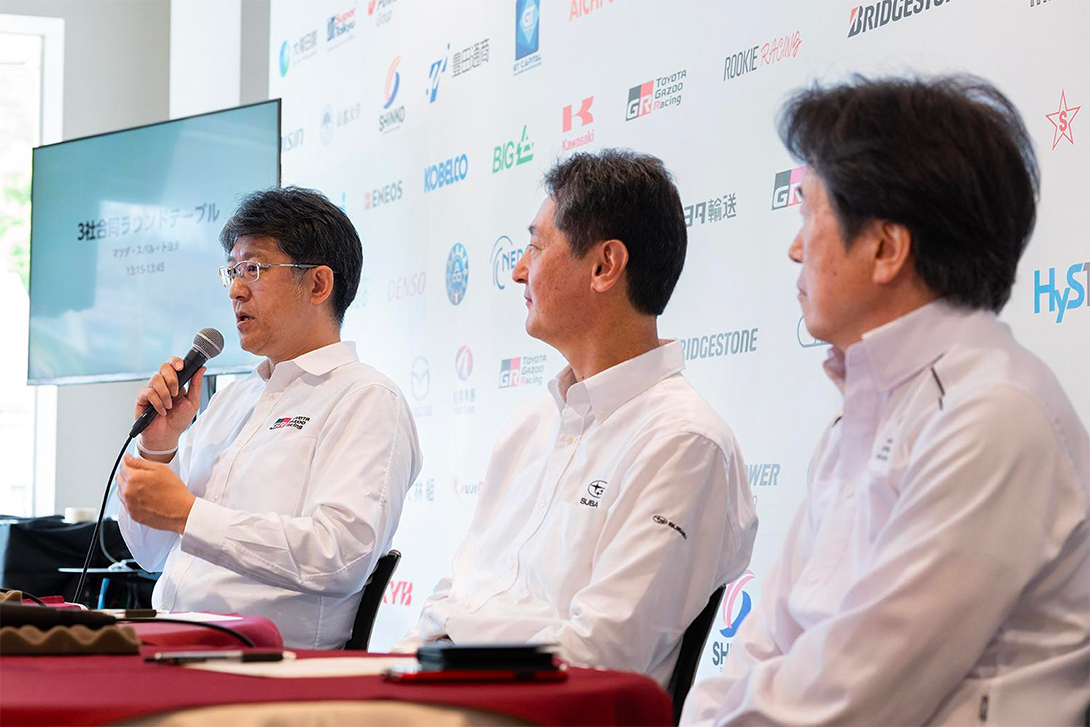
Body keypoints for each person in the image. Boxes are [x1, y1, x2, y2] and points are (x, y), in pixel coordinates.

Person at [682, 75, 1090, 726]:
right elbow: (764, 643)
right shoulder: (867, 410)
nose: (794, 247)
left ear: (885, 248)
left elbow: (854, 696)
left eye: (809, 216)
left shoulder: (993, 415)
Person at [394, 149, 758, 687]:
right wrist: (393, 671)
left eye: (536, 247)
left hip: (531, 708)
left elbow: (604, 650)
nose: (518, 270)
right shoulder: (532, 422)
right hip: (446, 690)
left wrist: (442, 673)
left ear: (605, 266)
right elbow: (456, 596)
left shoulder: (684, 443)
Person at [117, 187, 422, 649]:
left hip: (269, 666)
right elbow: (148, 552)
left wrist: (189, 514)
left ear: (318, 285)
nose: (236, 289)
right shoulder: (233, 399)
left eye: (254, 269)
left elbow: (340, 556)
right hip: (169, 643)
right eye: (233, 271)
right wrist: (159, 448)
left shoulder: (367, 399)